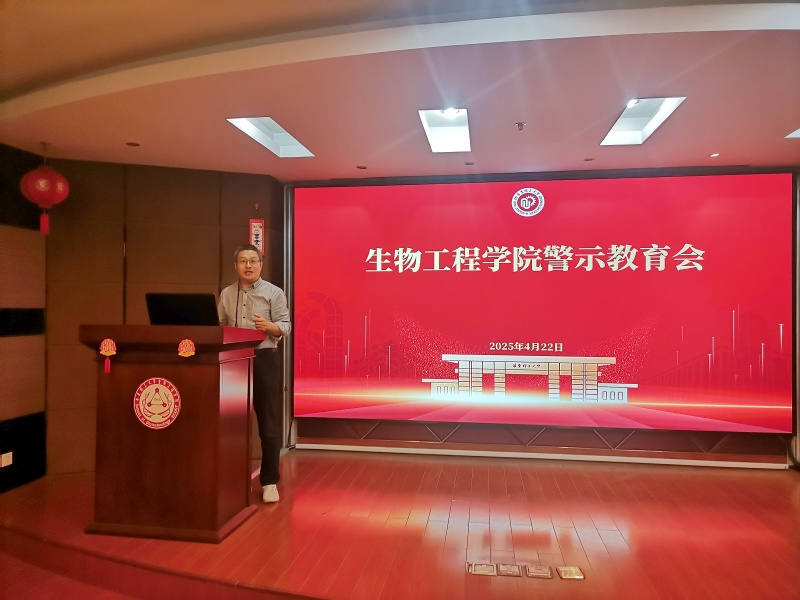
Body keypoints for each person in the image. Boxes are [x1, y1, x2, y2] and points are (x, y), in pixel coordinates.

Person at [217, 244, 291, 503]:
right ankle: (232, 478)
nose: (248, 265)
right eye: (243, 261)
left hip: (264, 360)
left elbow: (285, 326)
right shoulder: (226, 294)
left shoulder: (274, 292)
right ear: (235, 265)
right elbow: (220, 326)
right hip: (233, 361)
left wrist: (269, 326)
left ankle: (270, 481)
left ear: (260, 265)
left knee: (268, 423)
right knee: (231, 422)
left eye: (253, 261)